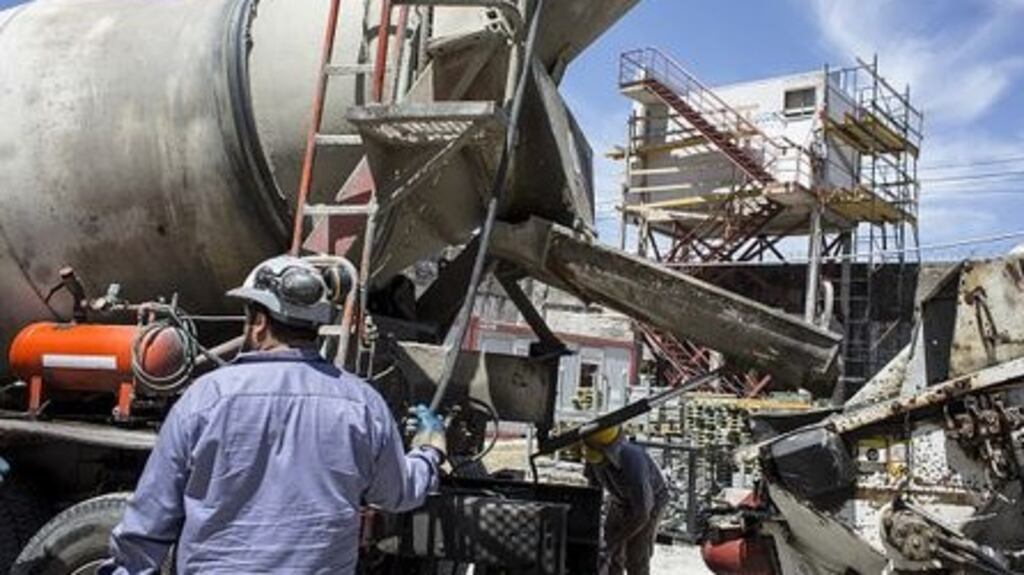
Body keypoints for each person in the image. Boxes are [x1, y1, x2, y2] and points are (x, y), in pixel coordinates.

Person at [100, 255, 446, 574]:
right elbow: (397, 493)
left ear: (260, 322)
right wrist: (430, 451)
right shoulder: (362, 404)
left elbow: (148, 524)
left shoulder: (205, 399)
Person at [582, 426, 669, 575]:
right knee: (611, 555)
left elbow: (642, 513)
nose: (599, 464)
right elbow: (592, 491)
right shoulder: (593, 452)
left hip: (650, 503)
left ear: (608, 450)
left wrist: (616, 540)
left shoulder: (633, 461)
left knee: (636, 555)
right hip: (619, 499)